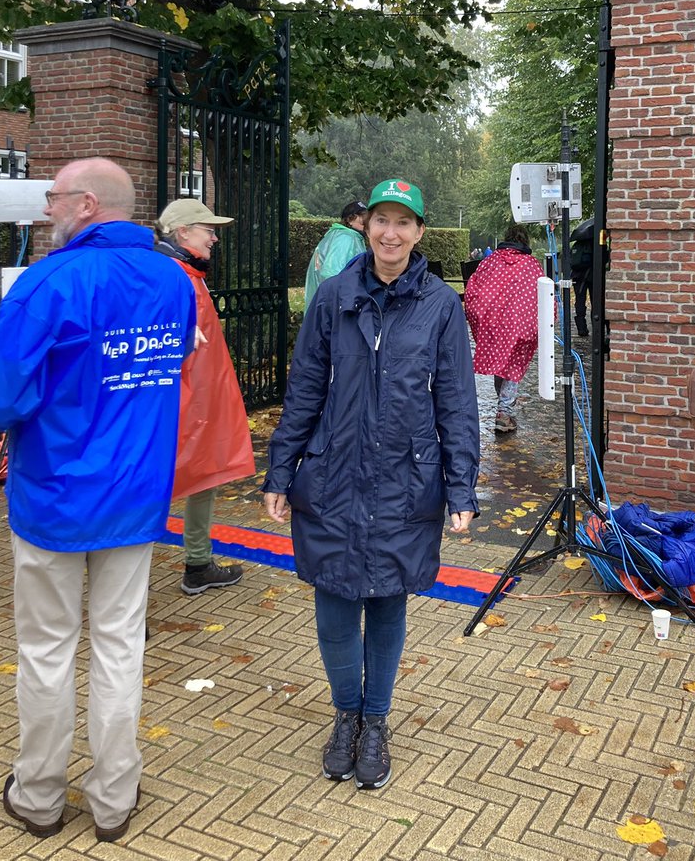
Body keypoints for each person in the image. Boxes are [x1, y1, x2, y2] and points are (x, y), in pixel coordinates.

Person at [0, 158, 196, 843]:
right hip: (134, 495)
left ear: (88, 204)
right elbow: (168, 363)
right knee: (120, 646)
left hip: (56, 496)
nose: (46, 211)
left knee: (48, 648)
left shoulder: (52, 281)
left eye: (54, 199)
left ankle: (37, 796)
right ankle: (114, 800)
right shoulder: (171, 281)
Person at [263, 178, 479, 791]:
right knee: (333, 599)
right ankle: (345, 716)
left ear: (418, 232)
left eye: (403, 223)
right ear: (367, 227)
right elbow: (304, 389)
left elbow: (459, 404)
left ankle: (376, 721)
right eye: (381, 220)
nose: (390, 232)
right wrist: (281, 470)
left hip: (406, 480)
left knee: (387, 598)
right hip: (333, 475)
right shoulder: (334, 297)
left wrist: (461, 487)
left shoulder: (441, 306)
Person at [154, 198, 255, 594]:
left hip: (194, 401)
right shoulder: (173, 276)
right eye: (206, 228)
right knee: (164, 481)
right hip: (182, 404)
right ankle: (128, 590)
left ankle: (198, 561)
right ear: (183, 232)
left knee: (199, 477)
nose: (214, 236)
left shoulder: (184, 273)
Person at [464, 222, 545, 434]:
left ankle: (504, 408)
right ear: (525, 241)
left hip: (492, 323)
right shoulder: (530, 265)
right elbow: (543, 296)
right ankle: (504, 411)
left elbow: (473, 289)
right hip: (519, 323)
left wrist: (479, 318)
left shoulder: (490, 262)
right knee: (512, 366)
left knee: (499, 363)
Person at [304, 199, 367, 312]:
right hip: (334, 308)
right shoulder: (345, 238)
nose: (366, 220)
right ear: (349, 219)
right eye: (362, 216)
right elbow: (331, 273)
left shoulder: (344, 235)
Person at [569, 231, 594, 338]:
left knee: (579, 302)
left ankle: (581, 329)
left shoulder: (576, 245)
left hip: (577, 277)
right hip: (591, 276)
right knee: (596, 303)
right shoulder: (593, 244)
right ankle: (597, 328)